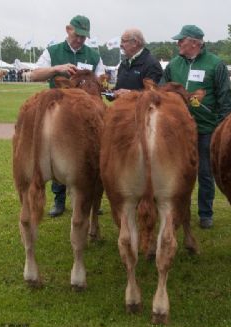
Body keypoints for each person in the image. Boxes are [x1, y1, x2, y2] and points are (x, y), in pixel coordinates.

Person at [31, 14, 105, 217]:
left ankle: (92, 199)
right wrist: (57, 68)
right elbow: (34, 74)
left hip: (87, 117)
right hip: (59, 114)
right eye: (78, 35)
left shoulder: (93, 55)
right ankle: (59, 200)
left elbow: (103, 81)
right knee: (57, 152)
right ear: (68, 30)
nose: (80, 40)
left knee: (90, 155)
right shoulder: (53, 51)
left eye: (84, 36)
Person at [163, 25, 231, 229]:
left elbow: (225, 100)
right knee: (176, 171)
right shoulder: (173, 65)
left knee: (204, 172)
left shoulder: (215, 64)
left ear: (195, 42)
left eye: (181, 40)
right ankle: (176, 210)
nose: (177, 44)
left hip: (205, 129)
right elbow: (161, 90)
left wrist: (220, 128)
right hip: (177, 131)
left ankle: (205, 213)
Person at [109, 28, 163, 99]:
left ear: (135, 43)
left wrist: (130, 93)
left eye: (124, 41)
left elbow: (153, 94)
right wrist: (111, 92)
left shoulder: (152, 65)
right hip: (121, 108)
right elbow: (120, 89)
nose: (121, 45)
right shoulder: (124, 64)